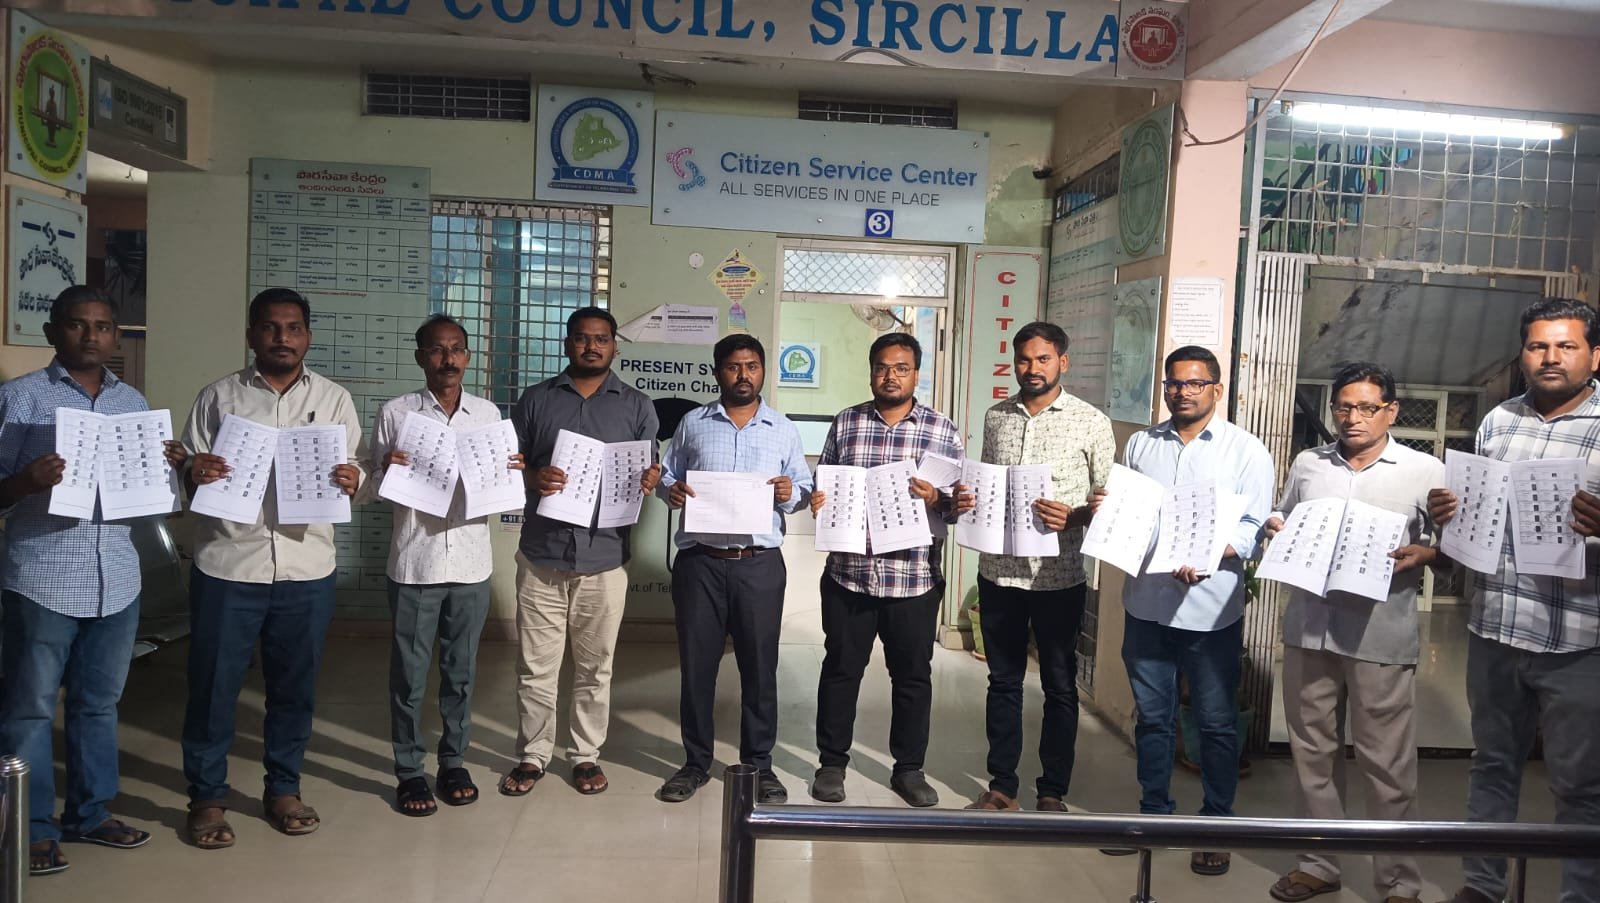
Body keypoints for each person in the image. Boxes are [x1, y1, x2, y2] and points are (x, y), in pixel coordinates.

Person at [0, 286, 186, 876]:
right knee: (30, 709)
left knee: (98, 706)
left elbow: (152, 499)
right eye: (78, 325)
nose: (91, 336)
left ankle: (89, 813)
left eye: (103, 326)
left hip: (117, 577)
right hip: (43, 577)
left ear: (115, 335)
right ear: (53, 331)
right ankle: (30, 829)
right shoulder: (19, 399)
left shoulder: (133, 403)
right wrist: (27, 481)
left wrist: (170, 469)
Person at [180, 287, 368, 849]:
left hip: (306, 569)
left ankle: (283, 788)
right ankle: (207, 798)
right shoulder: (218, 397)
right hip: (228, 565)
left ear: (308, 336)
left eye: (293, 328)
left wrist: (354, 480)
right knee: (213, 688)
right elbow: (185, 467)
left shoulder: (334, 399)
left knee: (294, 688)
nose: (281, 337)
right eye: (269, 327)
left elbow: (356, 471)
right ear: (251, 334)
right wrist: (194, 471)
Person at [1429, 297, 1600, 903]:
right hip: (1496, 627)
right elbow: (1476, 514)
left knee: (1581, 783)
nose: (1551, 357)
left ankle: (1581, 895)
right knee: (1492, 765)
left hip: (1579, 640)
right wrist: (1447, 513)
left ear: (1594, 355)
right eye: (1538, 345)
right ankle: (1482, 885)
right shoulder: (1499, 420)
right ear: (1522, 354)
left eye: (1566, 345)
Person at [1262, 362, 1442, 903]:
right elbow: (1283, 516)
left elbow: (1448, 544)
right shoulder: (1309, 463)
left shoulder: (1424, 470)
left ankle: (1399, 881)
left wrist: (1427, 554)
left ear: (1391, 410)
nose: (1353, 418)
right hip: (1309, 628)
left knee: (1386, 762)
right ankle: (1319, 863)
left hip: (1379, 636)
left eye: (1367, 407)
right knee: (1312, 753)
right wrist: (1276, 527)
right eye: (1343, 407)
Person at [1099, 345, 1273, 874]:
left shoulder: (1246, 451)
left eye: (1195, 383)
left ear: (1217, 389)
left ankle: (1215, 825)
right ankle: (1154, 816)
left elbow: (1254, 529)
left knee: (1217, 724)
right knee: (1153, 720)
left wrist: (1210, 555)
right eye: (1174, 383)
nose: (1182, 392)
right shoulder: (1142, 445)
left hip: (1209, 611)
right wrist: (1106, 509)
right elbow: (1127, 510)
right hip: (1147, 604)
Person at [366, 314, 523, 815]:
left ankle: (453, 761)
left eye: (456, 349)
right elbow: (371, 485)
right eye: (437, 349)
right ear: (421, 357)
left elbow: (499, 485)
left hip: (472, 564)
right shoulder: (397, 413)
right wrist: (384, 469)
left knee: (461, 673)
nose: (448, 359)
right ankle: (409, 770)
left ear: (468, 357)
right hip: (416, 563)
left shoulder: (487, 414)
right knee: (409, 677)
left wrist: (512, 474)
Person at [499, 306, 660, 798]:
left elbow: (649, 466)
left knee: (595, 667)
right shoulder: (536, 399)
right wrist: (534, 476)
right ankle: (533, 754)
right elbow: (510, 464)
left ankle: (585, 754)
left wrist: (651, 477)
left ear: (614, 346)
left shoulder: (637, 406)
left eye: (601, 339)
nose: (592, 346)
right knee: (536, 666)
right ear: (567, 343)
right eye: (583, 338)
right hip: (542, 554)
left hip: (605, 557)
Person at [808, 333, 972, 807]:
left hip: (913, 579)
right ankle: (831, 764)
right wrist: (820, 500)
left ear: (916, 374)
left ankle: (908, 769)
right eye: (882, 367)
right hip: (849, 576)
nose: (890, 376)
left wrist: (937, 497)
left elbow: (959, 506)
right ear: (871, 372)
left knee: (913, 678)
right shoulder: (848, 422)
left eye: (901, 368)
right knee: (840, 671)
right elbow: (826, 481)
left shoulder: (941, 430)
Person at [963, 321, 1115, 812]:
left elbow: (1110, 501)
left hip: (1059, 578)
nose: (1033, 368)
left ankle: (1052, 791)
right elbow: (987, 483)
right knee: (1003, 682)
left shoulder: (1091, 422)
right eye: (1024, 359)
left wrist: (1075, 516)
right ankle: (1002, 786)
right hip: (999, 573)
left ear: (1062, 362)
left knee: (1059, 686)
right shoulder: (997, 417)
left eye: (1043, 359)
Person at [655, 334, 813, 804]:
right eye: (733, 366)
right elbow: (668, 476)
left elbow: (803, 488)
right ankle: (695, 763)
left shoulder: (782, 429)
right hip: (700, 564)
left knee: (760, 669)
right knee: (696, 668)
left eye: (752, 366)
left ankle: (759, 764)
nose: (743, 375)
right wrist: (670, 491)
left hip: (758, 565)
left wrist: (790, 493)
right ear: (717, 372)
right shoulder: (693, 423)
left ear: (763, 371)